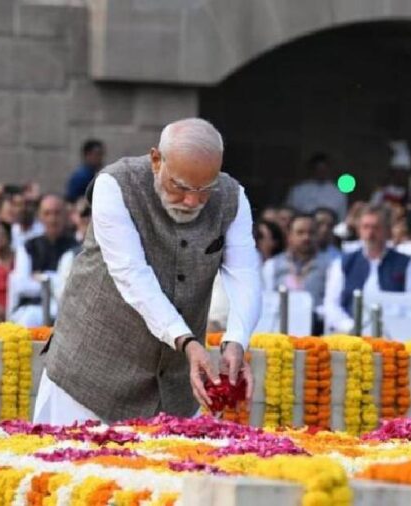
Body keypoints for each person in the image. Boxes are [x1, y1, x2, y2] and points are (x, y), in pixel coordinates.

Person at [36, 118, 260, 424]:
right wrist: (188, 342)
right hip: (89, 377)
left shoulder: (233, 197)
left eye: (205, 189)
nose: (192, 200)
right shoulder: (115, 184)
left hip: (174, 384)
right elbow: (131, 274)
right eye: (179, 186)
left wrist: (236, 341)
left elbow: (245, 274)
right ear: (156, 160)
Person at [323, 204, 411, 334]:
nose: (370, 233)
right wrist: (350, 327)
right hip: (350, 334)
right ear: (359, 230)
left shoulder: (407, 264)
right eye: (366, 227)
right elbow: (331, 304)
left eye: (376, 228)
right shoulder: (343, 263)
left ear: (387, 231)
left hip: (393, 334)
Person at [8, 194, 77, 326]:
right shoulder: (28, 247)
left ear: (65, 216)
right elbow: (23, 285)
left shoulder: (76, 248)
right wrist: (58, 280)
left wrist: (44, 277)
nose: (52, 219)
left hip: (65, 310)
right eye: (47, 213)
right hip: (32, 308)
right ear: (40, 217)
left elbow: (72, 287)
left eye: (57, 213)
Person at [262, 214, 332, 333]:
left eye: (311, 233)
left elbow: (331, 305)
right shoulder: (272, 265)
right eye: (300, 232)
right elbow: (266, 302)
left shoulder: (330, 265)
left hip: (316, 331)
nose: (306, 237)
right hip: (279, 328)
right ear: (289, 236)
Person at [284, 153, 347, 220]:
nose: (321, 172)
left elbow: (342, 216)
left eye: (324, 169)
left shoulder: (338, 192)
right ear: (312, 169)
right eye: (318, 168)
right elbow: (290, 213)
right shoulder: (298, 190)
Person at [65, 139, 105, 203]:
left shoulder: (97, 174)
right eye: (97, 154)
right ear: (87, 155)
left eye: (101, 154)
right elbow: (71, 199)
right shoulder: (80, 177)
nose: (100, 158)